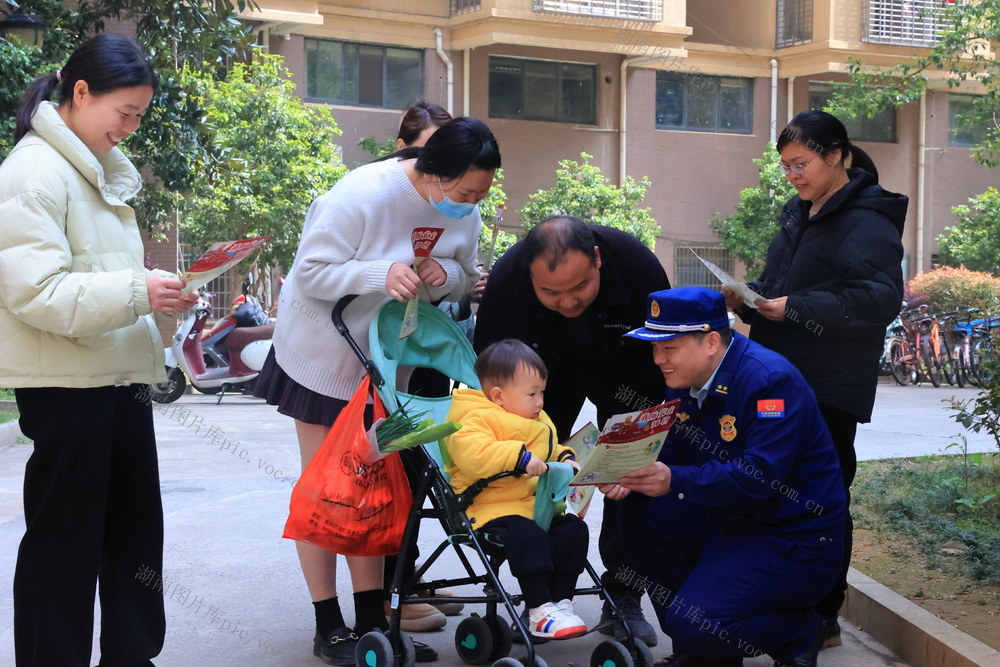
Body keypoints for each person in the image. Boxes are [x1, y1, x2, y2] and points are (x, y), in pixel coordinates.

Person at [255, 115, 500, 665]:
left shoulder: (467, 207)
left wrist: (447, 276)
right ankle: (328, 625)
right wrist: (379, 274)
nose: (470, 202)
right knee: (327, 491)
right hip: (323, 359)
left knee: (376, 486)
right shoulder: (363, 193)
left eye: (481, 193)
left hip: (389, 368)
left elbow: (466, 274)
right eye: (464, 191)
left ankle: (373, 619)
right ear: (433, 169)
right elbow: (311, 272)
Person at [0, 34, 200, 666]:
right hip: (65, 386)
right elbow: (36, 292)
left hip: (117, 377)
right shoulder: (33, 173)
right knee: (65, 542)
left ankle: (131, 656)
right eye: (126, 114)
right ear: (81, 93)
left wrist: (160, 298)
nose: (130, 129)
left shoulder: (94, 173)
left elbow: (109, 286)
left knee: (136, 538)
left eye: (139, 117)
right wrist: (138, 291)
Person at [723, 109, 906, 648]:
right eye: (786, 167)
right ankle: (779, 600)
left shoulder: (868, 220)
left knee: (821, 494)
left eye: (801, 163)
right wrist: (751, 297)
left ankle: (823, 612)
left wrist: (793, 308)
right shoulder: (799, 212)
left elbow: (877, 300)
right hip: (780, 375)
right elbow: (781, 284)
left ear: (835, 155)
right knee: (768, 485)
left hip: (829, 385)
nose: (793, 175)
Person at [604, 287, 847, 667]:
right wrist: (628, 472)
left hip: (793, 539)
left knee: (696, 624)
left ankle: (799, 631)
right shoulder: (684, 379)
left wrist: (674, 480)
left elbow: (760, 479)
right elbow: (672, 452)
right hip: (731, 523)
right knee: (636, 510)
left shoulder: (770, 382)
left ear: (712, 341)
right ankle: (705, 648)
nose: (658, 360)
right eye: (654, 348)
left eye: (668, 348)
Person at [474, 215, 669, 646]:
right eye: (551, 292)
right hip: (538, 385)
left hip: (624, 375)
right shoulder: (507, 283)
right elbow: (489, 373)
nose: (567, 302)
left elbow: (660, 351)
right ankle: (539, 598)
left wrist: (631, 437)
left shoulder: (637, 266)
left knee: (629, 480)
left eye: (579, 288)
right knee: (530, 478)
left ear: (597, 260)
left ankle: (624, 597)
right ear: (529, 276)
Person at [445, 339, 589, 640]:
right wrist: (519, 457)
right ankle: (538, 607)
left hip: (531, 504)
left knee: (573, 530)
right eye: (532, 394)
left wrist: (566, 458)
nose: (540, 402)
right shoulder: (475, 419)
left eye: (542, 393)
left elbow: (550, 447)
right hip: (490, 506)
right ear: (498, 396)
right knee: (529, 536)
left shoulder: (535, 417)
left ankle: (561, 601)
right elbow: (473, 453)